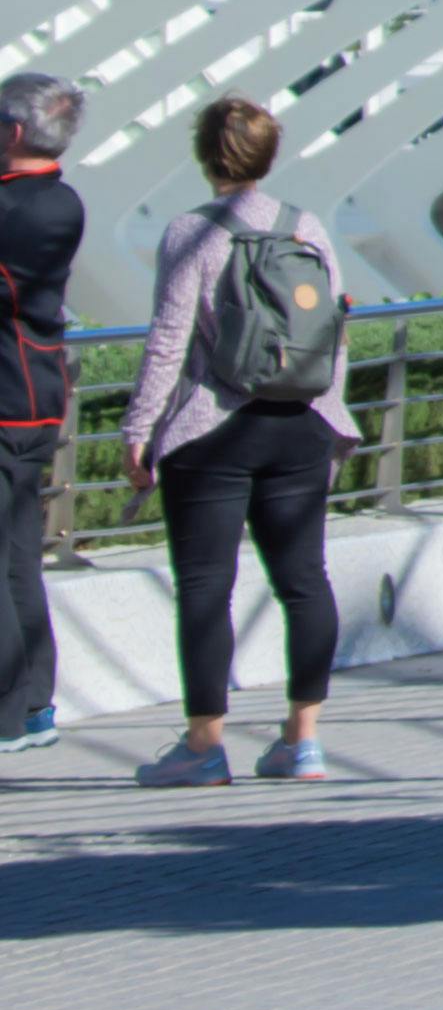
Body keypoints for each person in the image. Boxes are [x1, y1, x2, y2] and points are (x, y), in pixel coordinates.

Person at [126, 94, 355, 788]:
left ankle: (204, 748)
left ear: (204, 157)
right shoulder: (306, 225)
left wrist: (139, 431)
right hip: (300, 428)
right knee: (304, 581)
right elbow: (335, 331)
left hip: (212, 429)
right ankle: (303, 740)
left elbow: (169, 341)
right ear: (268, 154)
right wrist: (331, 416)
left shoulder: (190, 231)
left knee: (205, 587)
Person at [0, 70, 74, 755]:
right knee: (20, 554)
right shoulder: (61, 201)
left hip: (3, 398)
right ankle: (34, 705)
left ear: (13, 132)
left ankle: (9, 713)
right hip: (37, 395)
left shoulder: (14, 209)